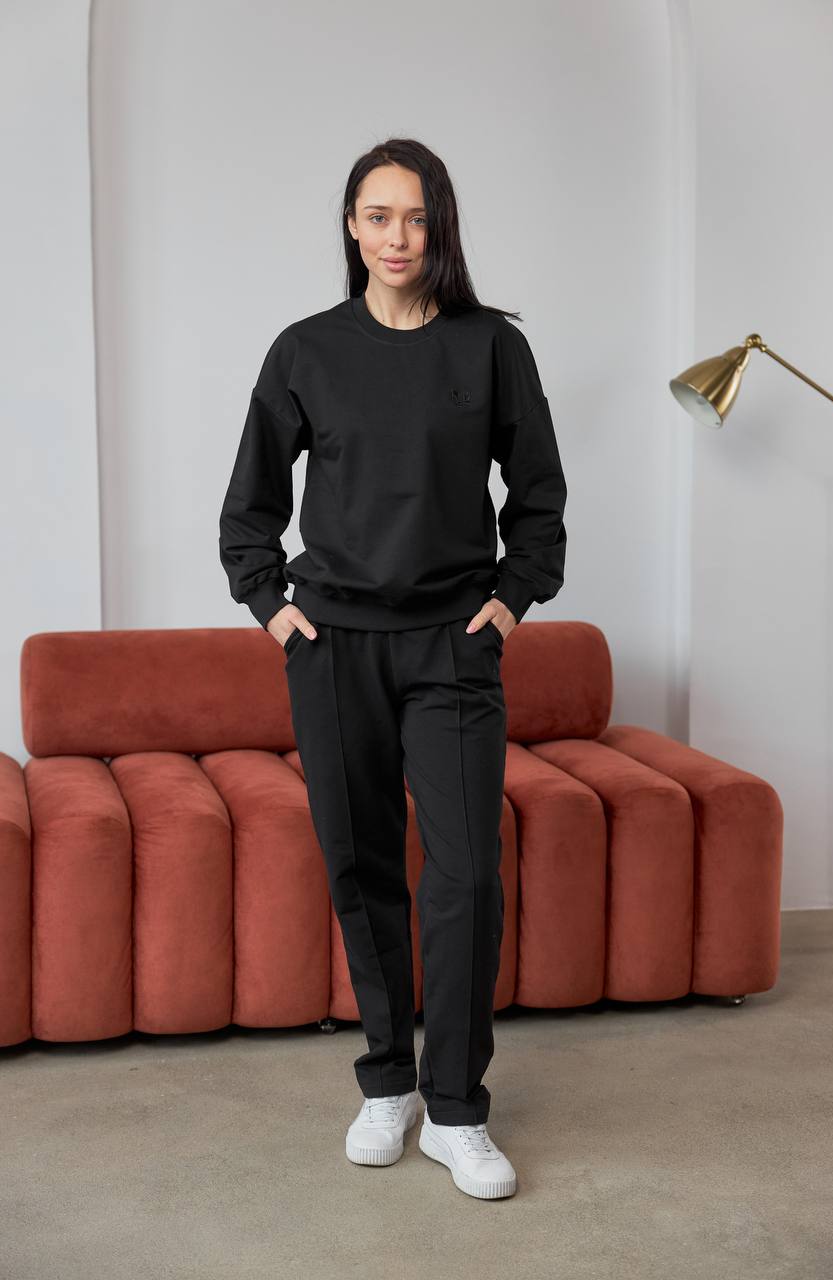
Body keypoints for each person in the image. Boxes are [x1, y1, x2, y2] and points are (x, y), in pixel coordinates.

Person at [219, 137, 567, 1200]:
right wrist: (273, 607)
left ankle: (455, 1107)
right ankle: (388, 1084)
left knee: (465, 872)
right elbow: (249, 507)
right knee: (360, 864)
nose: (396, 237)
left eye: (415, 217)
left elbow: (539, 495)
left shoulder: (490, 347)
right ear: (351, 227)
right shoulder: (304, 351)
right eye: (377, 216)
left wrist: (510, 598)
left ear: (440, 225)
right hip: (332, 647)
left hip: (451, 645)